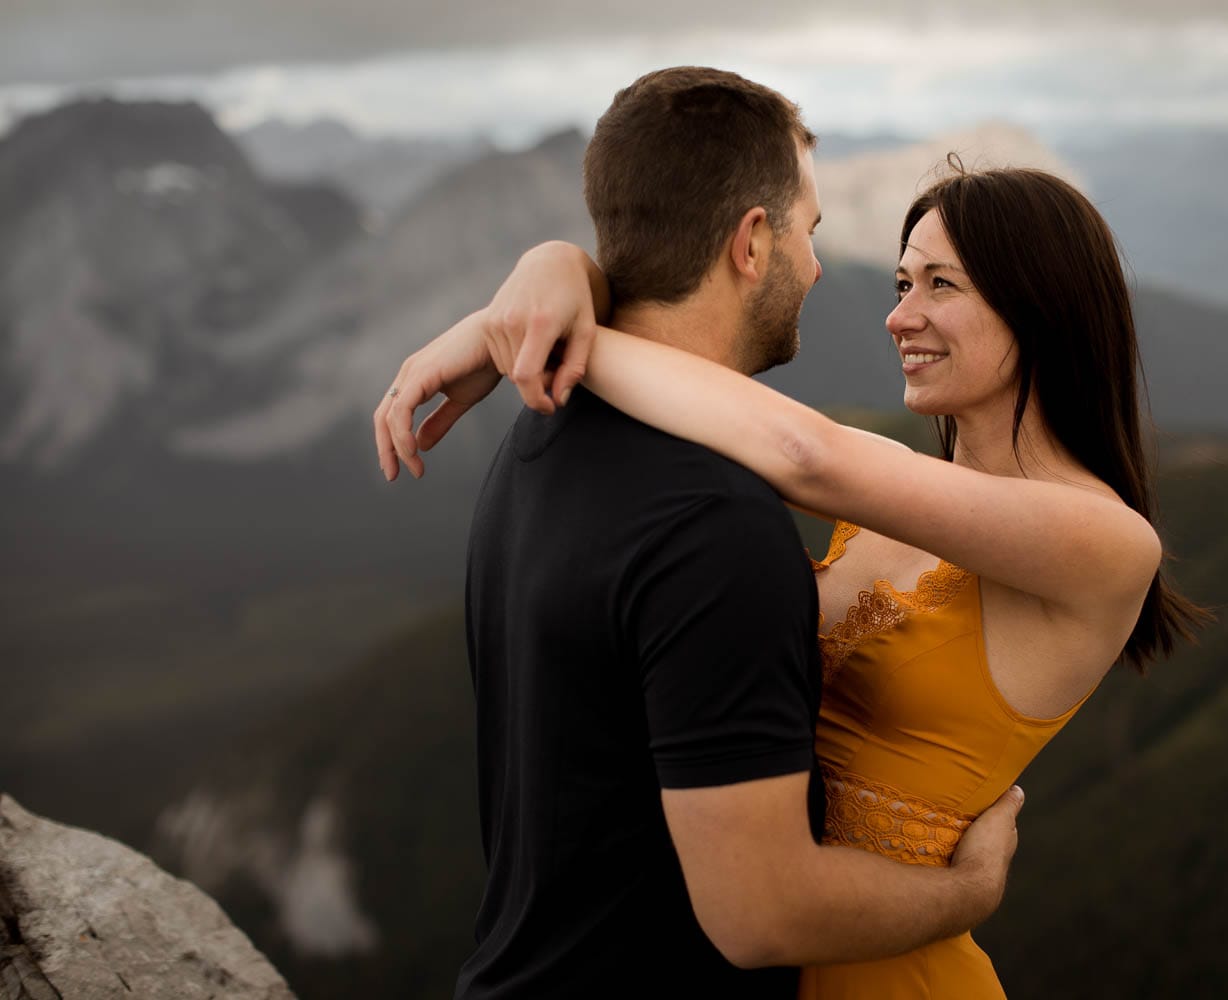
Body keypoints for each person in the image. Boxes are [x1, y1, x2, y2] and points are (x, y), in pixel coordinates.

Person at [375, 67, 1028, 1000]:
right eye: (807, 231)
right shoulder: (716, 527)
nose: (814, 266)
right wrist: (969, 889)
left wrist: (550, 272)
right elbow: (762, 915)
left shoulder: (546, 432)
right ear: (751, 243)